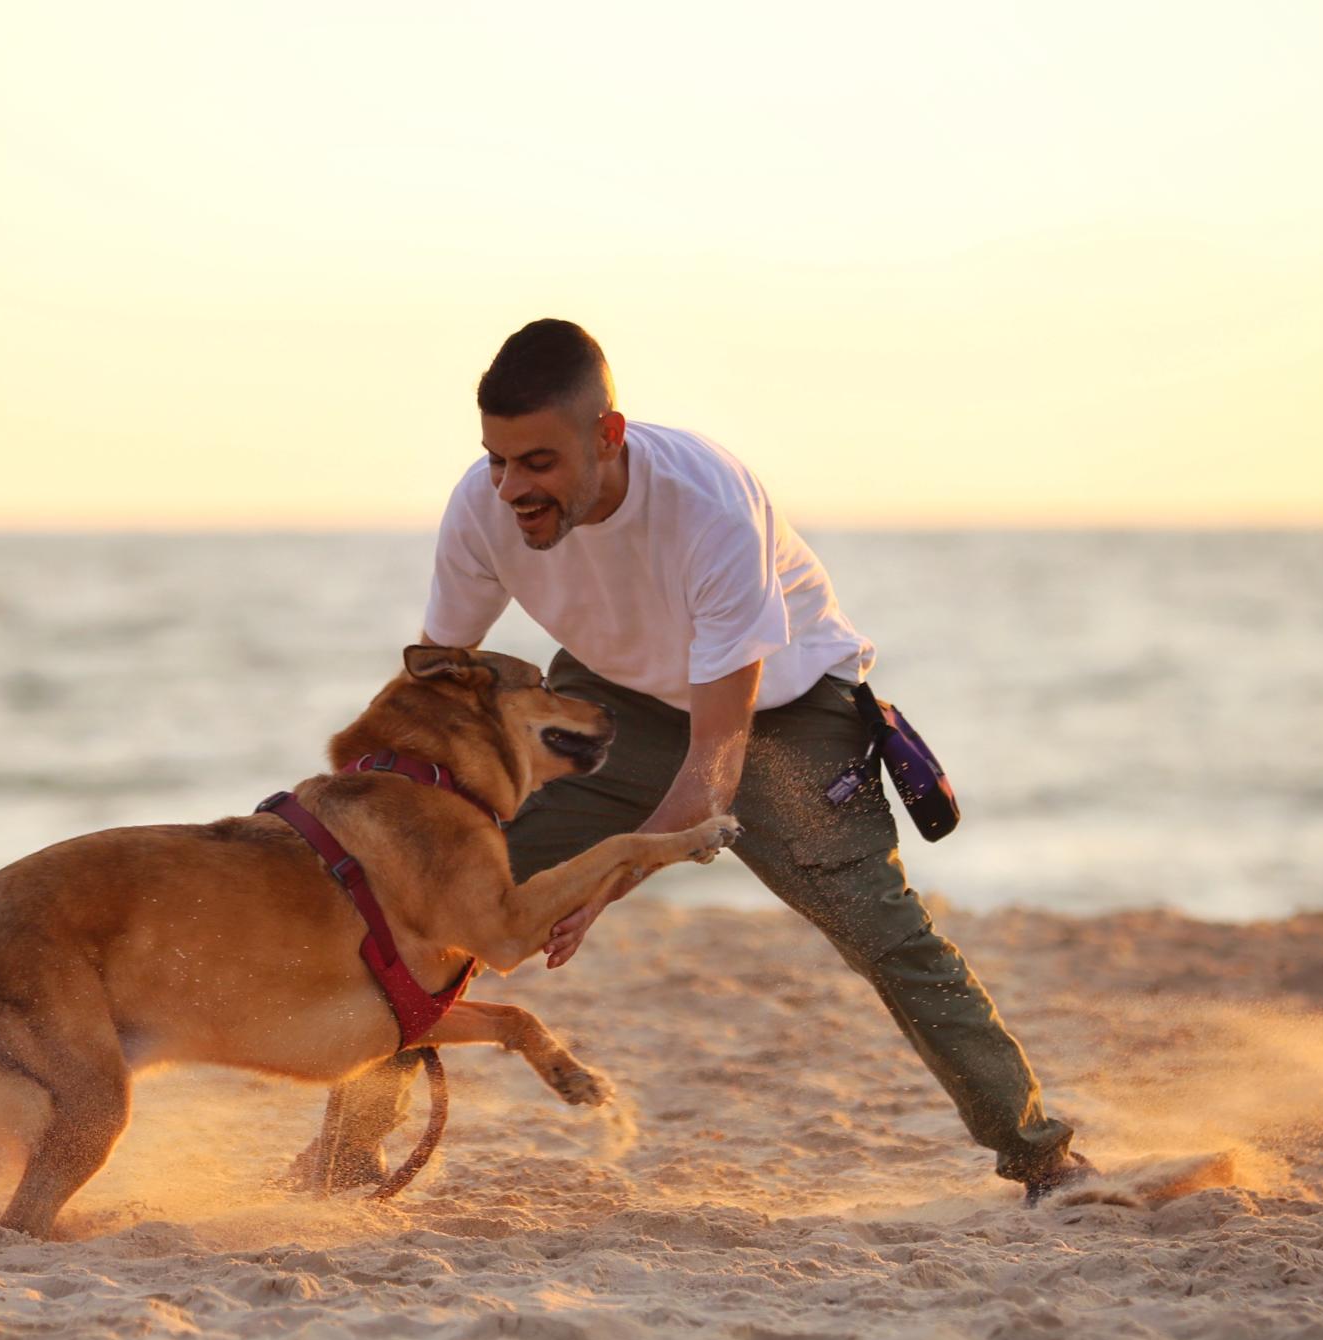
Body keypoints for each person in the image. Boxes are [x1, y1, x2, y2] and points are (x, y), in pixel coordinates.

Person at [291, 318, 1093, 1205]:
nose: (513, 488)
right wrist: (360, 800)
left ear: (608, 436)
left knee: (886, 937)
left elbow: (716, 761)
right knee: (434, 897)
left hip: (780, 715)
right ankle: (344, 1154)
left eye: (539, 463)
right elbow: (437, 688)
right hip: (615, 699)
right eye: (496, 460)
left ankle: (1041, 1159)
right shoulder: (483, 512)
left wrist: (601, 884)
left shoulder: (706, 506)